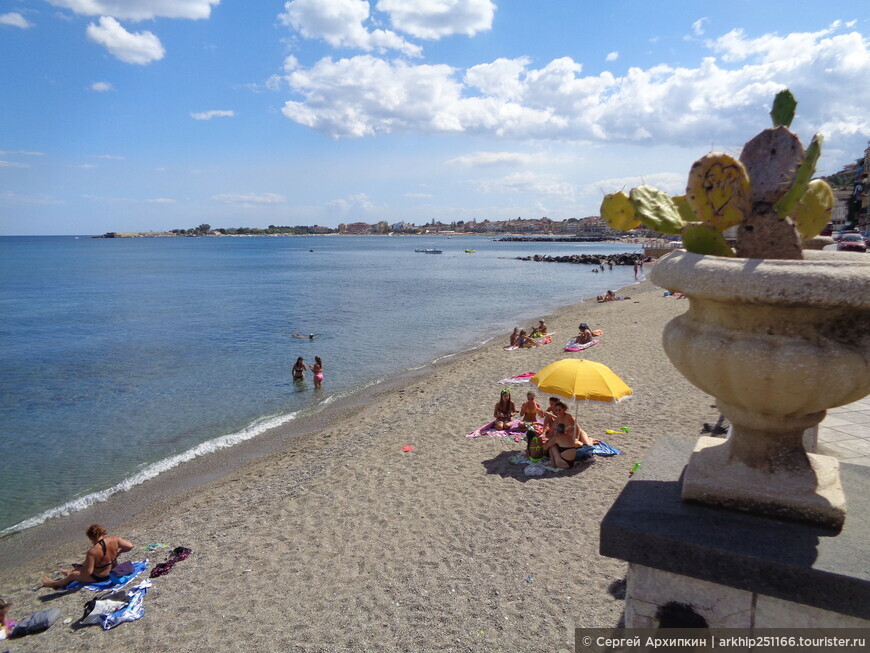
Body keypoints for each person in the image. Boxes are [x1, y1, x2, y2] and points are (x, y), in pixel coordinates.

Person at [40, 525, 133, 588]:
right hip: (113, 570)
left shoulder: (92, 552)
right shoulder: (114, 539)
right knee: (83, 565)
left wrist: (77, 574)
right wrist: (119, 552)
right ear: (102, 533)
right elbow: (130, 546)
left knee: (73, 575)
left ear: (91, 537)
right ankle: (70, 571)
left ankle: (52, 583)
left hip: (102, 577)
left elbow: (88, 572)